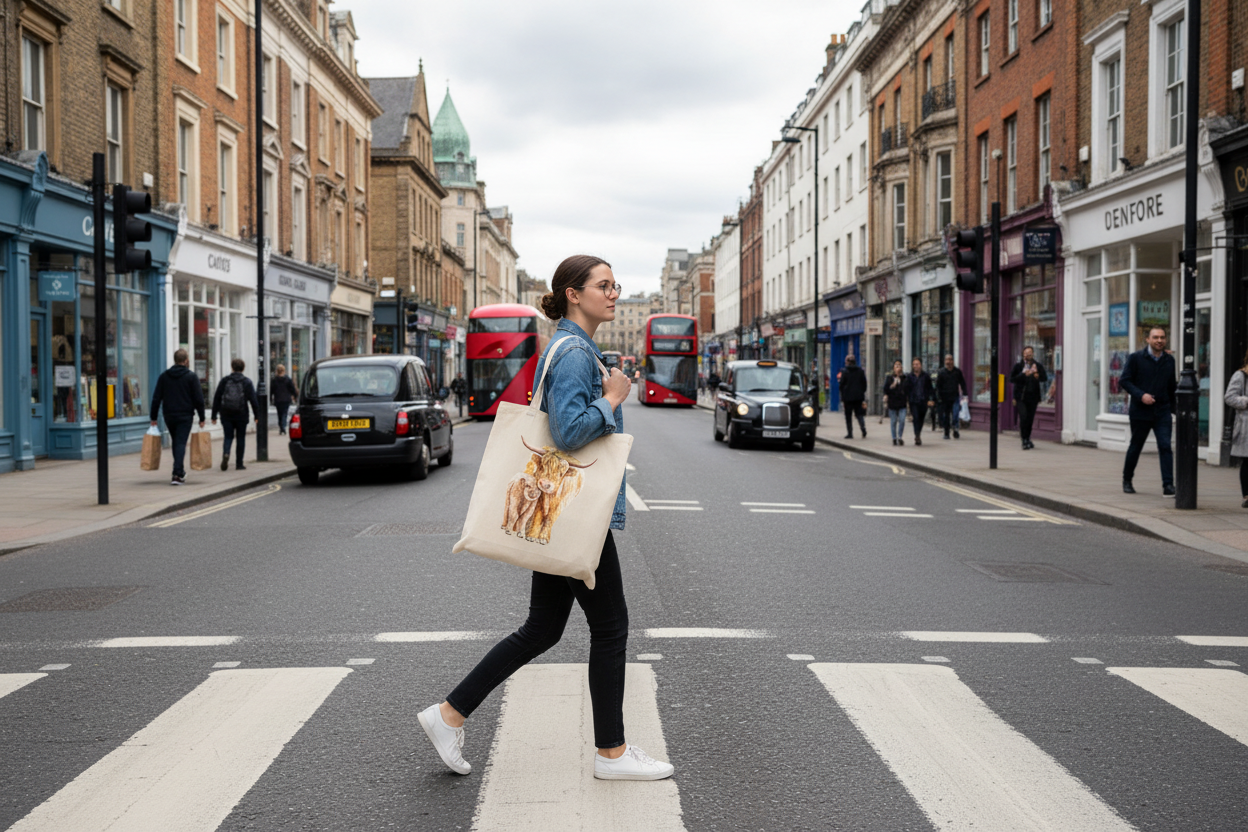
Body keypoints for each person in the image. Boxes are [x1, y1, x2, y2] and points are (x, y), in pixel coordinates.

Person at [417, 254, 674, 782]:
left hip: (561, 510)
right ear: (574, 294)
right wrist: (611, 400)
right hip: (576, 512)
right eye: (603, 285)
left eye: (615, 284)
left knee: (543, 628)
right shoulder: (576, 353)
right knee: (610, 628)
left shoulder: (572, 347)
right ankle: (612, 754)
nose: (614, 293)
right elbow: (570, 432)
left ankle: (449, 714)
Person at [1120, 327, 1177, 495]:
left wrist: (1175, 410)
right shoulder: (1136, 358)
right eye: (1155, 337)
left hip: (1162, 411)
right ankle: (1127, 479)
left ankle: (1168, 485)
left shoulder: (1169, 360)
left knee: (1165, 446)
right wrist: (1141, 395)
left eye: (1162, 337)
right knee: (1136, 446)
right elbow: (1125, 380)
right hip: (1140, 411)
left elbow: (1171, 387)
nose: (1159, 340)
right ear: (1148, 340)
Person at [150, 349, 206, 486]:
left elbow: (156, 397)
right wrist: (202, 416)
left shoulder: (164, 376)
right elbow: (199, 399)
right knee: (180, 443)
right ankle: (177, 474)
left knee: (177, 442)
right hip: (185, 415)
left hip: (169, 415)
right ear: (186, 360)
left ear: (175, 360)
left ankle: (179, 471)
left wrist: (153, 417)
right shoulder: (191, 377)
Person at [211, 358, 261, 472]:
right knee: (241, 438)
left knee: (228, 436)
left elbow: (217, 398)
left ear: (232, 367)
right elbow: (253, 400)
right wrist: (257, 415)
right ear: (243, 368)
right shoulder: (247, 382)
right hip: (241, 414)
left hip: (226, 413)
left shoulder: (224, 381)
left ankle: (226, 453)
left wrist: (214, 415)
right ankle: (239, 464)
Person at [1010, 346, 1048, 450]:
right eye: (1026, 353)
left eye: (1030, 353)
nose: (1028, 355)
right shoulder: (1018, 366)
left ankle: (1028, 438)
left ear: (1033, 354)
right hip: (1021, 397)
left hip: (1033, 397)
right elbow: (1012, 379)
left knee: (1030, 419)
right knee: (1023, 417)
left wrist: (1037, 375)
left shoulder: (1037, 365)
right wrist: (1023, 374)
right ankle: (1024, 439)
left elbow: (1045, 378)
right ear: (1023, 355)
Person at [1224, 350, 1248, 509]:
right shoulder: (1241, 376)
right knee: (1247, 461)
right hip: (1246, 425)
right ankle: (1247, 495)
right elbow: (1229, 397)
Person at [936, 354, 967, 440]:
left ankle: (955, 428)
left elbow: (962, 383)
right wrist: (938, 396)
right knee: (946, 415)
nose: (948, 362)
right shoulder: (941, 372)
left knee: (955, 414)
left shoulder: (957, 372)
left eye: (950, 360)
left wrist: (965, 394)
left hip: (955, 397)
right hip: (945, 397)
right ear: (945, 361)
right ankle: (946, 433)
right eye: (947, 360)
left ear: (953, 361)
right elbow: (938, 385)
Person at [838, 355, 867, 439]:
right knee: (859, 414)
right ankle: (863, 429)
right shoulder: (860, 371)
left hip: (847, 398)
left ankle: (850, 433)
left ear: (847, 362)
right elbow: (864, 384)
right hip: (858, 397)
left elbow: (841, 384)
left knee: (848, 416)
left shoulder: (845, 371)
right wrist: (861, 392)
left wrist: (843, 393)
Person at [907, 358, 935, 446]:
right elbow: (906, 388)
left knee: (921, 418)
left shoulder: (926, 376)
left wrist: (931, 399)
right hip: (913, 401)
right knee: (916, 418)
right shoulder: (909, 376)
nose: (916, 366)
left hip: (923, 401)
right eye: (914, 364)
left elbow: (930, 388)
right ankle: (917, 435)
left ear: (921, 365)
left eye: (917, 364)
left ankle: (918, 432)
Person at [883, 359, 911, 446]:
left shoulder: (905, 378)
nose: (898, 367)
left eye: (899, 365)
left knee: (902, 420)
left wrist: (900, 381)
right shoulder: (889, 378)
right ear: (893, 368)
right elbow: (886, 389)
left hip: (902, 402)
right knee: (893, 421)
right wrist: (893, 385)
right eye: (896, 365)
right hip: (892, 402)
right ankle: (894, 438)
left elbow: (907, 389)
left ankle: (900, 437)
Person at [271, 364, 298, 435]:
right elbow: (292, 389)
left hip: (278, 399)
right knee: (284, 413)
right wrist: (295, 396)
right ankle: (283, 426)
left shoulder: (274, 380)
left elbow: (272, 390)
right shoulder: (287, 379)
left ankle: (281, 426)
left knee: (279, 414)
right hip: (286, 399)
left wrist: (271, 399)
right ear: (284, 371)